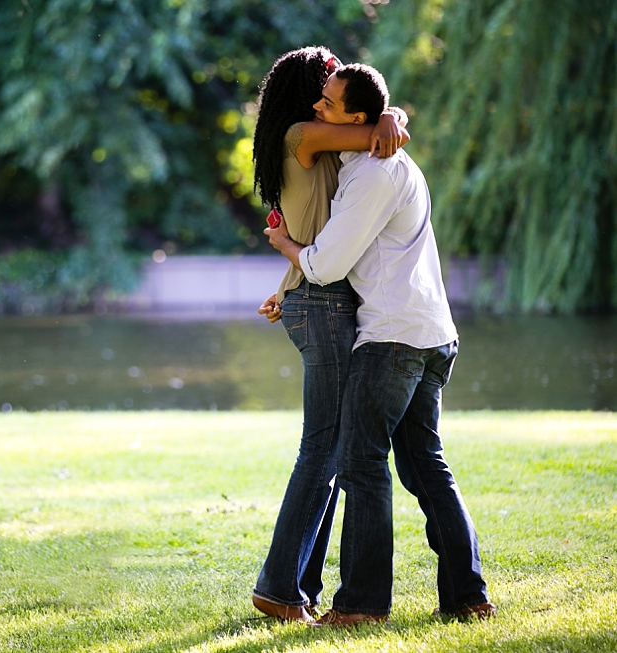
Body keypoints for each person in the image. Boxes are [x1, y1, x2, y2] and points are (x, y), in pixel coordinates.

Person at [265, 63, 495, 626]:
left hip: (392, 337)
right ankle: (468, 596)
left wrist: (287, 248)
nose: (319, 109)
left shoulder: (373, 171)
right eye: (318, 98)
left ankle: (363, 605)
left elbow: (326, 264)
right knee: (426, 467)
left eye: (329, 103)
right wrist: (393, 117)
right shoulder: (381, 161)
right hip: (431, 333)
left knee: (361, 464)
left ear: (358, 118)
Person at [249, 46, 409, 624]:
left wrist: (286, 278)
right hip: (320, 302)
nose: (330, 93)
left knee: (332, 449)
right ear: (307, 90)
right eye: (326, 82)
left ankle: (298, 584)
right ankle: (279, 588)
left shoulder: (300, 139)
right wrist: (391, 117)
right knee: (323, 447)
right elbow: (372, 132)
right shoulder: (304, 134)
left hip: (314, 296)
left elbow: (314, 219)